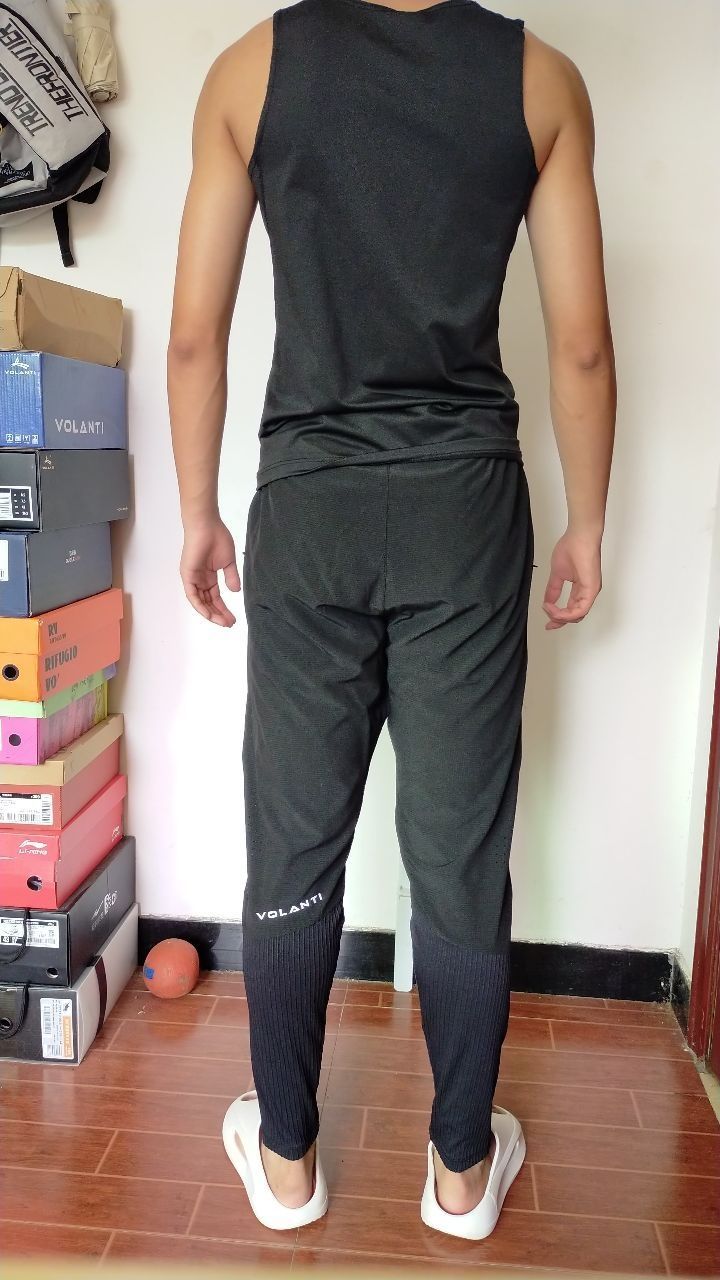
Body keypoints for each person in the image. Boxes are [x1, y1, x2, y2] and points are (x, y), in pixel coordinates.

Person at [167, 0, 615, 1242]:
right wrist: (587, 522)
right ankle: (462, 1171)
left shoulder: (251, 69)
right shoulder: (540, 79)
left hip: (308, 508)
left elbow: (196, 334)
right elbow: (582, 345)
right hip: (465, 509)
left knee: (295, 841)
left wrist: (198, 510)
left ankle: (287, 1159)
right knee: (459, 853)